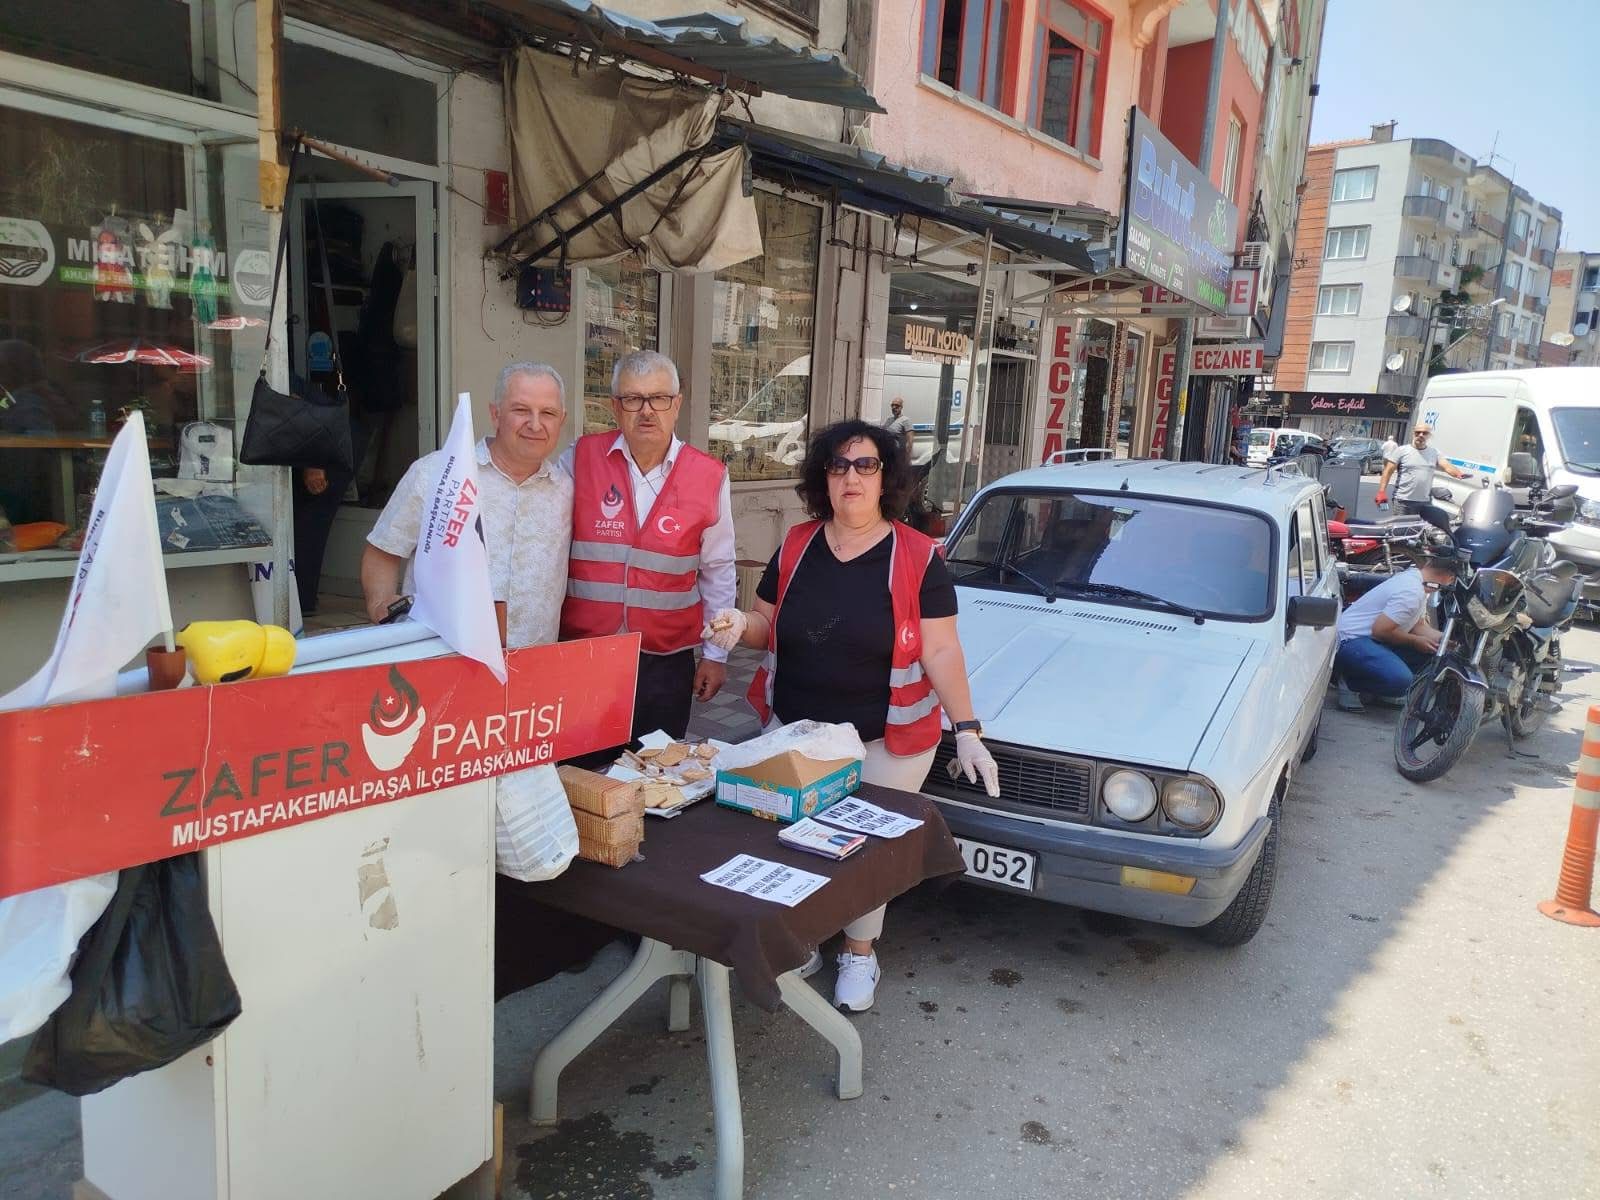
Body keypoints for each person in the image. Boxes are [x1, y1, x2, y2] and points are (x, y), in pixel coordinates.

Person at [703, 419, 999, 1013]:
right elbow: (766, 626)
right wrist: (739, 627)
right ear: (824, 480)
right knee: (792, 841)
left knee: (862, 855)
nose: (851, 478)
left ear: (886, 478)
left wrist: (967, 729)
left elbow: (941, 649)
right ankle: (805, 936)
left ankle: (860, 951)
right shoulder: (796, 544)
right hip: (794, 729)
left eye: (865, 465)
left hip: (885, 740)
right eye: (839, 466)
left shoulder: (918, 557)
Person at [559, 349, 735, 740]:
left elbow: (718, 571)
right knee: (583, 778)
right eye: (633, 399)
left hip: (666, 663)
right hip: (586, 657)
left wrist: (716, 656)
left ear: (677, 404)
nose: (646, 411)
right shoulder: (580, 459)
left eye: (658, 398)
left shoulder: (709, 476)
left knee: (657, 776)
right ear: (615, 407)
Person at [361, 362, 572, 646]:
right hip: (443, 654)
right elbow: (384, 548)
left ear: (562, 420)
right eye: (521, 410)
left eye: (548, 413)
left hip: (534, 663)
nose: (535, 424)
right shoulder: (437, 473)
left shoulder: (567, 489)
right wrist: (381, 605)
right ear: (495, 414)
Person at [1334, 557, 1457, 712]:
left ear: (1427, 563)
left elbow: (1417, 625)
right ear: (1451, 579)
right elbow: (1381, 631)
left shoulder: (1417, 580)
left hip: (1372, 640)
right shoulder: (1411, 592)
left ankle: (1378, 689)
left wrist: (1445, 640)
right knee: (1401, 681)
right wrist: (1415, 642)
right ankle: (1350, 682)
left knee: (1437, 655)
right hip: (1351, 641)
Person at [1375, 423, 1470, 532]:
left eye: (1424, 433)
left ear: (1429, 436)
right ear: (1413, 434)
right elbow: (1388, 471)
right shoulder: (1401, 451)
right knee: (1400, 533)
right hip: (1403, 501)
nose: (1421, 435)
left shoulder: (1434, 453)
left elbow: (1446, 466)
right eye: (1418, 432)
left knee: (1419, 533)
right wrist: (1381, 492)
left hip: (1424, 502)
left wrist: (1458, 474)